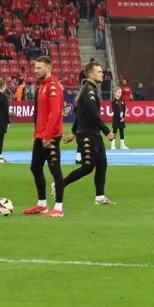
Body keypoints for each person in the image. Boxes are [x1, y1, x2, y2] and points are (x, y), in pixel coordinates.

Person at [61, 61, 118, 204]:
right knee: (87, 167)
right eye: (99, 72)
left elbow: (80, 113)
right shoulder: (89, 90)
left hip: (92, 133)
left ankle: (100, 197)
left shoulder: (89, 90)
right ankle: (60, 184)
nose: (102, 74)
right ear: (91, 74)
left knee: (102, 165)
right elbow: (92, 113)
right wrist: (106, 131)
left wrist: (74, 132)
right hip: (87, 134)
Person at [23, 56, 67, 218]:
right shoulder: (42, 86)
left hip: (51, 136)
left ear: (48, 68)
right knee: (35, 167)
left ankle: (59, 208)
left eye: (39, 68)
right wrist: (37, 134)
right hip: (42, 135)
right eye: (35, 68)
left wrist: (47, 136)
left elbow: (55, 112)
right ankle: (42, 204)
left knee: (55, 170)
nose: (36, 71)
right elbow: (41, 114)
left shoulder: (53, 86)